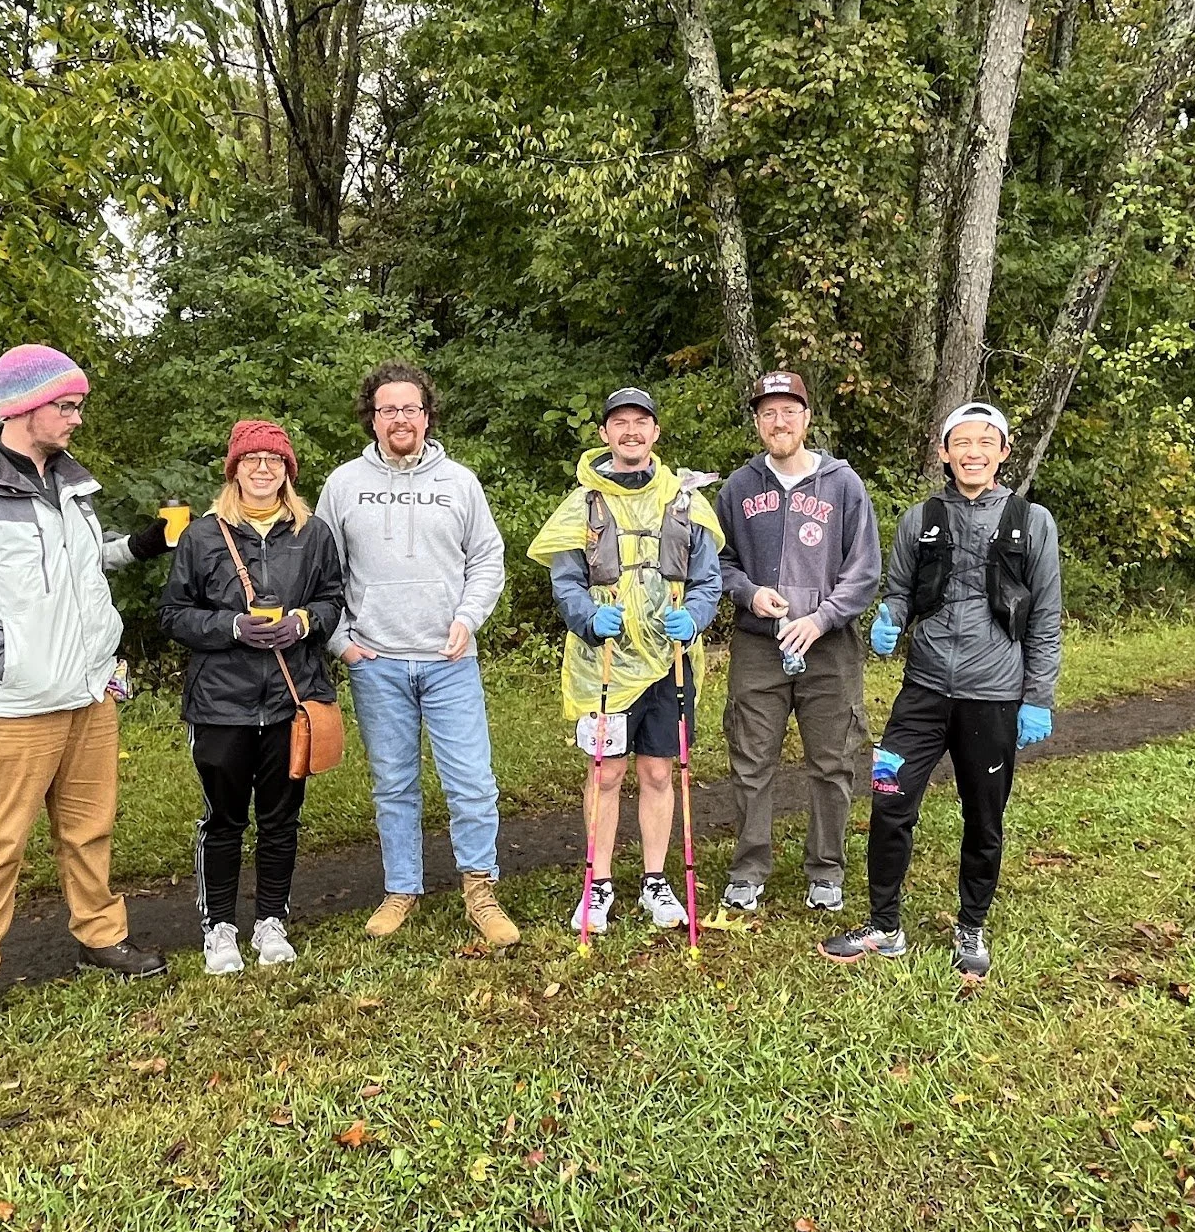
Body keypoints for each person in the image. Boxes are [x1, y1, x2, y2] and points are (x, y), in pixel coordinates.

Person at [0, 344, 172, 1036]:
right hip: (12, 704)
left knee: (89, 829)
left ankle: (100, 937)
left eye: (77, 406)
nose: (78, 418)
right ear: (24, 407)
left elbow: (79, 568)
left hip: (89, 694)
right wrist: (13, 661)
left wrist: (138, 546)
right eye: (68, 406)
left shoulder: (71, 486)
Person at [820, 401, 1061, 977]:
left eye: (986, 442)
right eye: (962, 443)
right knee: (889, 799)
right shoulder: (919, 518)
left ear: (1004, 452)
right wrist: (889, 619)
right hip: (921, 692)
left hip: (994, 695)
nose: (973, 453)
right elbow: (899, 590)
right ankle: (884, 926)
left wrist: (1037, 698)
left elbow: (1046, 617)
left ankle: (971, 926)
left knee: (984, 816)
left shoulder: (1032, 522)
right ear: (944, 453)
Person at [314, 362, 519, 948]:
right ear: (372, 417)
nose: (400, 418)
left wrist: (467, 619)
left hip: (449, 661)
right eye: (388, 409)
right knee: (394, 785)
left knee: (472, 783)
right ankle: (401, 888)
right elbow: (321, 571)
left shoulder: (460, 482)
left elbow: (487, 558)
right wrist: (341, 642)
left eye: (410, 408)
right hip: (376, 662)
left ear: (427, 416)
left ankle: (480, 890)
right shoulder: (343, 485)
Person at [527, 386, 725, 935]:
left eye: (641, 422)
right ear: (605, 434)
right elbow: (566, 581)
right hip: (604, 664)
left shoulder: (684, 501)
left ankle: (655, 882)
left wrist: (697, 617)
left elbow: (708, 579)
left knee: (659, 770)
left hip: (670, 660)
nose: (631, 432)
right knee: (606, 771)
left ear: (655, 433)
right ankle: (599, 884)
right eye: (620, 423)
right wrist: (589, 619)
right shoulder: (583, 505)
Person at [160, 421, 345, 973]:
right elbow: (173, 614)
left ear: (288, 471)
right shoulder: (202, 536)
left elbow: (333, 598)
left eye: (274, 460)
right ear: (234, 470)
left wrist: (305, 621)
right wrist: (232, 627)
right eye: (251, 459)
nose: (263, 469)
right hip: (221, 702)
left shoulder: (314, 533)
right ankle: (218, 927)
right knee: (223, 819)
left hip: (292, 698)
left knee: (281, 818)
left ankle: (271, 922)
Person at [716, 371, 883, 915]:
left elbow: (864, 570)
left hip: (829, 647)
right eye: (768, 413)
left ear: (807, 419)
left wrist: (823, 618)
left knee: (833, 762)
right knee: (750, 760)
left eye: (789, 411)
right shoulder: (737, 488)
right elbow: (718, 562)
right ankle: (748, 869)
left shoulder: (843, 485)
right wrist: (748, 593)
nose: (779, 421)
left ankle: (826, 868)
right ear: (757, 422)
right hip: (759, 646)